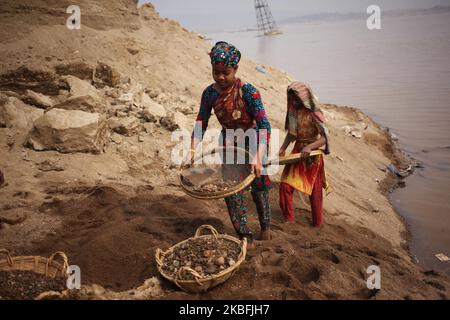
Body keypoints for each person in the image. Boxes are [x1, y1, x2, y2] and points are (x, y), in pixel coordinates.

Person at [187, 41, 272, 249]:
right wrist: (191, 151)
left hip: (254, 142)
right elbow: (201, 123)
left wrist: (259, 157)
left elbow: (264, 126)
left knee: (259, 186)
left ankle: (266, 227)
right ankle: (245, 236)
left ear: (236, 69)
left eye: (226, 72)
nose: (221, 77)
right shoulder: (209, 94)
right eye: (216, 73)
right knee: (231, 190)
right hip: (229, 144)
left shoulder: (249, 92)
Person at [278, 82, 330, 227]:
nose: (293, 101)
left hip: (312, 155)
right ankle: (289, 220)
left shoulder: (315, 112)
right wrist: (282, 148)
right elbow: (292, 134)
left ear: (304, 97)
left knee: (315, 190)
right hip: (297, 152)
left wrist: (310, 147)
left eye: (296, 98)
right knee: (285, 186)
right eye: (291, 98)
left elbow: (325, 137)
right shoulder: (294, 112)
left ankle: (317, 223)